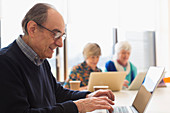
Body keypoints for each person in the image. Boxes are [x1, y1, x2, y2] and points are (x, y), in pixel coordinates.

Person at [0, 3, 115, 113]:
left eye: (62, 36)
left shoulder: (40, 60)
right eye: (55, 34)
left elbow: (57, 93)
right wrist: (78, 107)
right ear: (32, 29)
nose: (60, 44)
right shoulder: (5, 63)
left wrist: (87, 96)